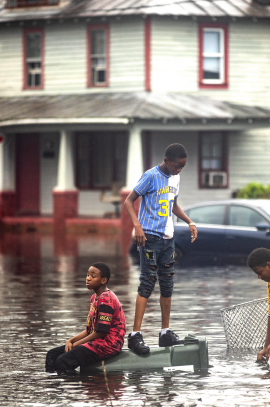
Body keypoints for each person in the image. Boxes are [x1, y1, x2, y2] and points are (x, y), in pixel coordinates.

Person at [123, 143, 198, 354]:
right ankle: (135, 335)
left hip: (168, 237)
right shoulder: (150, 176)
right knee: (147, 281)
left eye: (182, 167)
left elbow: (173, 205)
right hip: (149, 236)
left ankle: (165, 333)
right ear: (166, 161)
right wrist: (137, 227)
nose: (179, 170)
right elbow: (129, 201)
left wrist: (189, 221)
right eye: (176, 166)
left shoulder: (176, 178)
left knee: (167, 284)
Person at [45, 262, 126, 373]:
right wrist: (71, 341)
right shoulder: (94, 298)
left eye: (93, 276)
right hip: (97, 341)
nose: (88, 279)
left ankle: (75, 386)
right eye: (87, 275)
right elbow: (90, 330)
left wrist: (76, 345)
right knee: (52, 354)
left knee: (63, 361)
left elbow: (101, 332)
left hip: (108, 344)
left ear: (103, 280)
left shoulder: (106, 299)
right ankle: (53, 386)